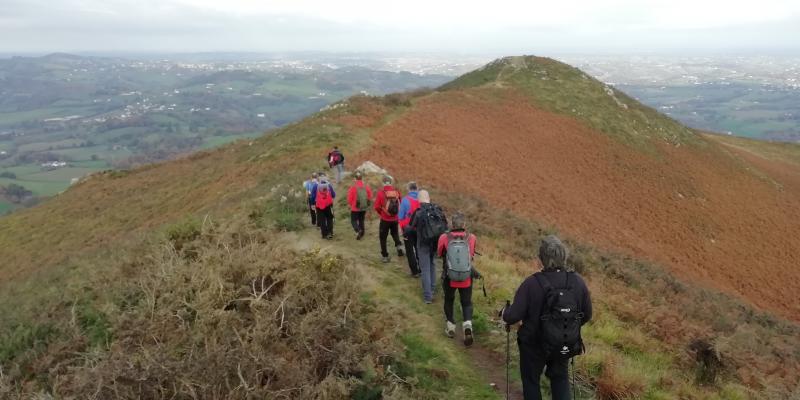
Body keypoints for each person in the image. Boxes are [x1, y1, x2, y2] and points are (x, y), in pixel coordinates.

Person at [501, 235, 593, 400]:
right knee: (560, 379)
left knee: (531, 381)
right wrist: (565, 328)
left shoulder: (531, 283)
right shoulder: (577, 282)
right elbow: (587, 314)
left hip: (533, 345)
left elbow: (512, 316)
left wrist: (504, 313)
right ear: (564, 256)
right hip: (563, 342)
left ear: (541, 258)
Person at [437, 212, 480, 347]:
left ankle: (450, 326)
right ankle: (467, 325)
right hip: (466, 277)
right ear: (464, 224)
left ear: (452, 224)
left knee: (449, 300)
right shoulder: (471, 238)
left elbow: (439, 253)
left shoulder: (444, 237)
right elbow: (471, 255)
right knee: (466, 302)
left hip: (449, 276)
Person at [409, 190, 447, 304]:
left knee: (425, 268)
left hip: (423, 244)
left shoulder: (419, 212)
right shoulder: (437, 210)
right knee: (432, 264)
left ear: (418, 199)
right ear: (429, 198)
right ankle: (432, 288)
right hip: (435, 243)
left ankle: (428, 296)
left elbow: (410, 228)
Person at [372, 175, 404, 263]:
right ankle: (399, 249)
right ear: (391, 182)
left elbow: (377, 207)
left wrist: (382, 213)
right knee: (395, 234)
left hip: (385, 219)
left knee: (383, 238)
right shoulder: (397, 192)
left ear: (383, 183)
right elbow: (400, 204)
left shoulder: (380, 193)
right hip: (395, 219)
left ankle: (385, 256)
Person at [398, 181, 421, 277]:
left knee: (409, 250)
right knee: (419, 248)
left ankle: (414, 271)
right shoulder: (421, 199)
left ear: (409, 189)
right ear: (417, 188)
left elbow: (400, 216)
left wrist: (400, 228)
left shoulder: (405, 200)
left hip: (407, 229)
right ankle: (422, 268)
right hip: (419, 228)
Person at [346, 171, 373, 240]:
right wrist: (367, 203)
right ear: (361, 178)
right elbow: (370, 196)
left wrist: (350, 204)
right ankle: (362, 232)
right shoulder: (366, 186)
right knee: (361, 220)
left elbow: (349, 198)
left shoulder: (353, 187)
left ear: (355, 178)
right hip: (364, 206)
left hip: (355, 207)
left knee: (353, 220)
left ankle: (358, 231)